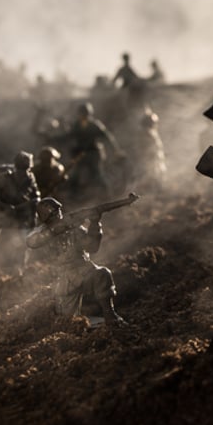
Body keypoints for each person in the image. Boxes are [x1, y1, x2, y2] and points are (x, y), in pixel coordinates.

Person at [26, 198, 127, 327]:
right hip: (63, 278)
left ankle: (110, 315)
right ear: (46, 218)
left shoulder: (74, 227)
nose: (59, 215)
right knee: (67, 323)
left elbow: (92, 247)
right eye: (54, 214)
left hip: (83, 269)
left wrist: (95, 224)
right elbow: (31, 242)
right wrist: (55, 230)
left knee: (102, 274)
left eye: (59, 211)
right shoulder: (42, 232)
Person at [59, 103, 122, 196]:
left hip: (93, 153)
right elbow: (68, 136)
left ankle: (107, 194)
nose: (83, 115)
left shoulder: (95, 125)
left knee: (97, 174)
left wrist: (116, 150)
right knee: (76, 174)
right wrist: (53, 138)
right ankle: (74, 196)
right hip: (81, 153)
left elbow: (107, 137)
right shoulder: (76, 124)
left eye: (85, 113)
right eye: (81, 113)